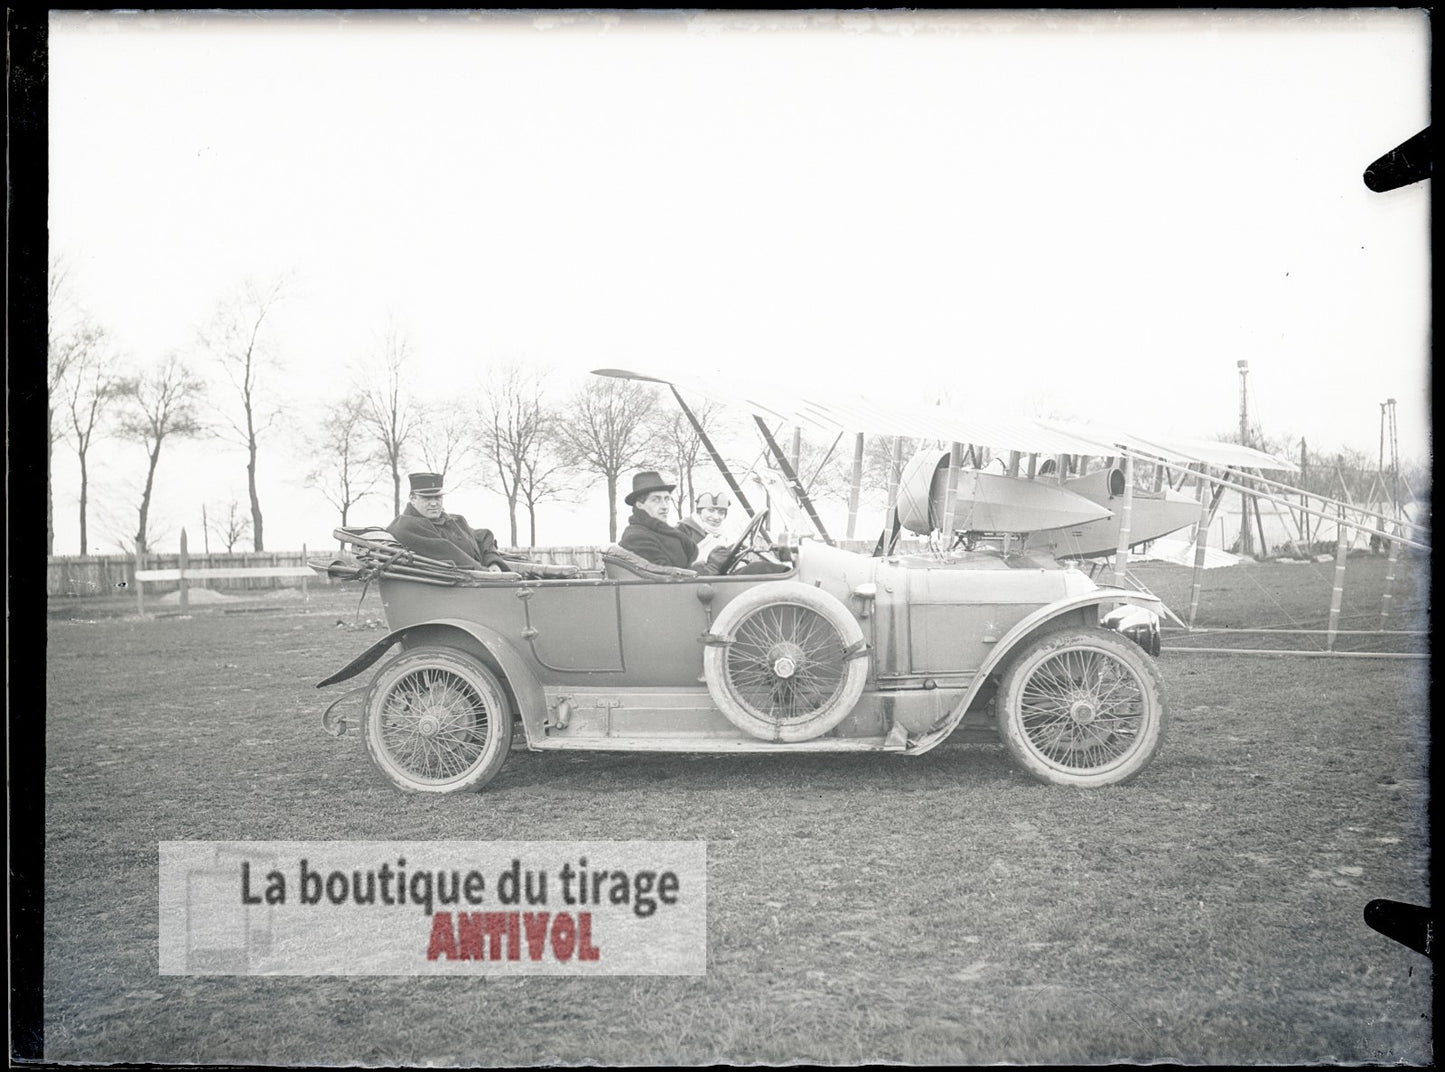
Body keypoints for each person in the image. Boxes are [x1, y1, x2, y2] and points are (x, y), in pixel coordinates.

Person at [387, 472, 508, 572]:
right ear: (413, 499)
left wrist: (493, 562)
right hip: (453, 587)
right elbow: (448, 553)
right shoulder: (407, 525)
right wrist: (485, 571)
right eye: (427, 498)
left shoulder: (456, 520)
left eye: (438, 497)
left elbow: (483, 536)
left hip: (477, 581)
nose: (434, 503)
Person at [618, 471, 719, 570]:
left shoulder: (663, 532)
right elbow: (663, 577)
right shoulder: (637, 537)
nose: (665, 506)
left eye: (666, 499)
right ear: (640, 505)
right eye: (656, 500)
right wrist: (710, 569)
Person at [678, 489, 732, 562]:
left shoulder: (722, 535)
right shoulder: (683, 529)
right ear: (699, 511)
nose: (716, 517)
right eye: (711, 510)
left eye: (721, 512)